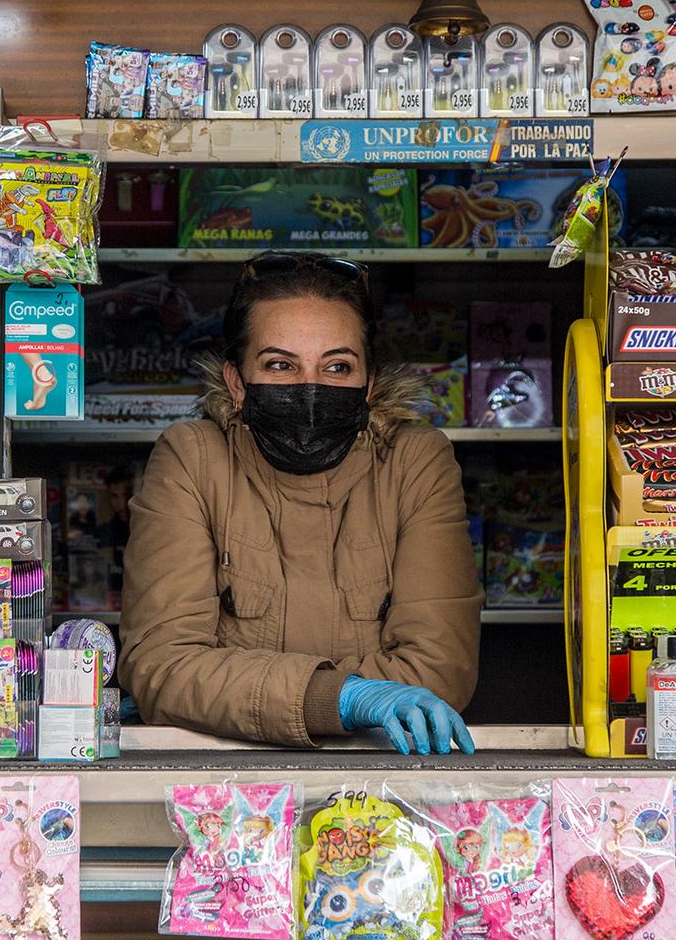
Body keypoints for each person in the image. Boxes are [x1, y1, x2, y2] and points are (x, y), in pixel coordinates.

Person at [118, 252, 482, 754]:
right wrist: (342, 698)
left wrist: (231, 688)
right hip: (223, 776)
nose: (310, 388)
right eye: (279, 365)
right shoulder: (193, 458)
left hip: (385, 774)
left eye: (337, 366)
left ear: (368, 384)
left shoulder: (414, 461)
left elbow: (439, 670)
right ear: (236, 383)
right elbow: (161, 666)